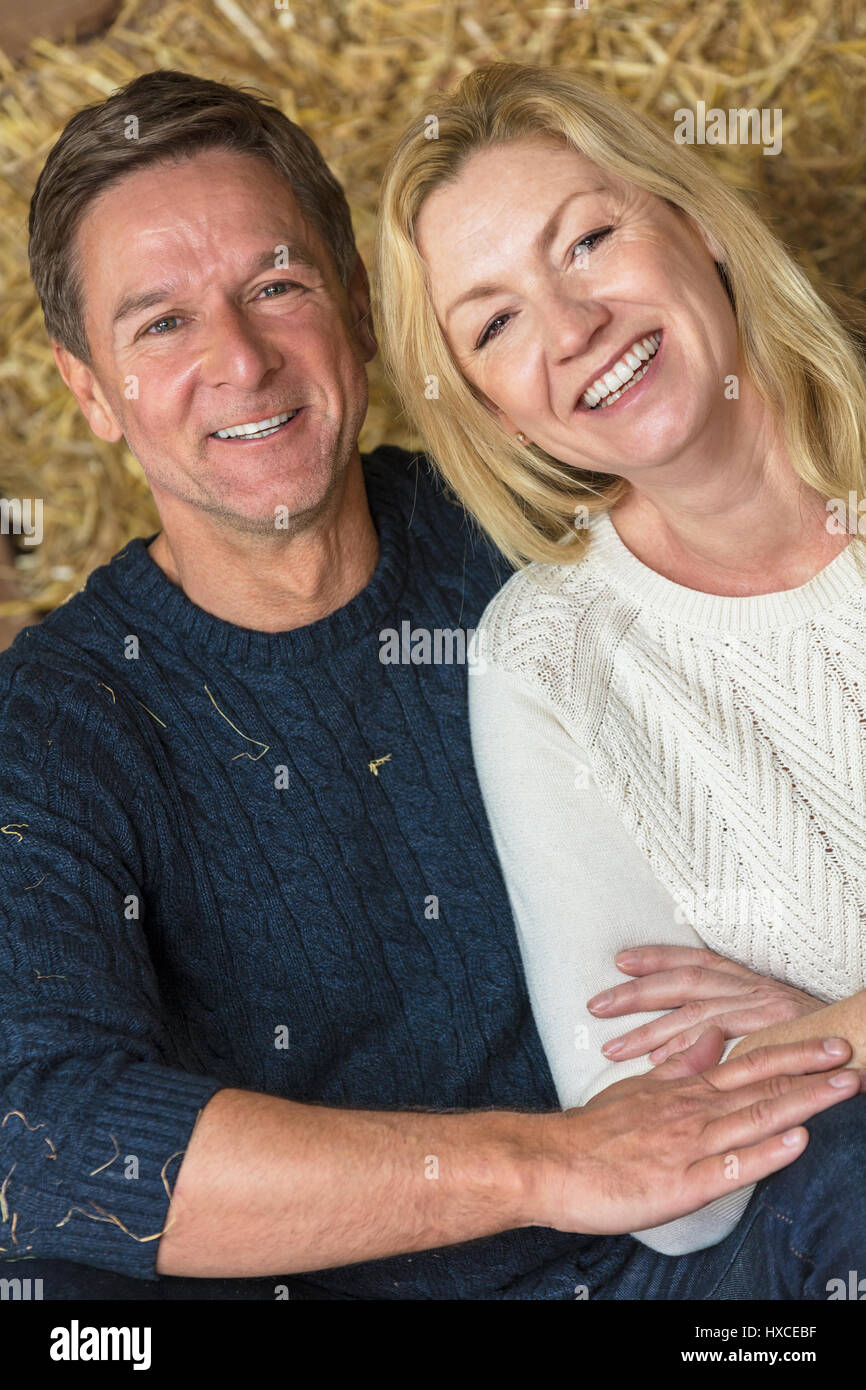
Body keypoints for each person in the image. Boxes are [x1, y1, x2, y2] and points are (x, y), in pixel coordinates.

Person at [0, 68, 860, 1305]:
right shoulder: (60, 722)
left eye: (277, 286)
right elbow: (43, 1135)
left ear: (357, 309)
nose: (240, 359)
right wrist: (538, 1165)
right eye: (162, 325)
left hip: (709, 1257)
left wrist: (825, 1021)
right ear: (85, 390)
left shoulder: (543, 502)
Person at [374, 58, 866, 1264]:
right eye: (493, 322)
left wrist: (820, 1032)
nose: (573, 326)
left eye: (586, 241)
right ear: (492, 407)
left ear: (690, 222)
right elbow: (673, 1185)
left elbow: (727, 1099)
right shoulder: (545, 660)